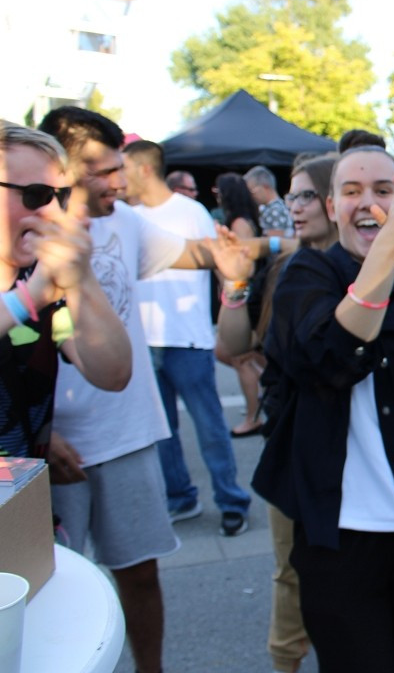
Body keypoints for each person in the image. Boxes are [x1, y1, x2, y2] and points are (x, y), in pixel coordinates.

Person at [39, 106, 257, 673]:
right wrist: (39, 432)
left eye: (120, 168)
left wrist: (230, 257)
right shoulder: (28, 234)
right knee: (55, 590)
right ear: (60, 168)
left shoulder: (127, 223)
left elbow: (188, 253)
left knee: (139, 573)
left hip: (129, 433)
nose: (119, 180)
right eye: (103, 170)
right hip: (54, 446)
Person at [253, 145, 394, 672]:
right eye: (351, 192)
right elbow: (332, 358)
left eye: (382, 191)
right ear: (331, 207)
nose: (366, 202)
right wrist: (388, 249)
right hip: (338, 536)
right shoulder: (305, 273)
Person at [217, 153, 337, 673]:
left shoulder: (378, 272)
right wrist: (236, 281)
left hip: (360, 452)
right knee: (290, 572)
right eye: (292, 195)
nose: (294, 206)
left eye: (306, 195)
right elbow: (232, 347)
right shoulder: (285, 268)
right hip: (292, 445)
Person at [123, 141, 253, 534]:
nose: (116, 176)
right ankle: (180, 498)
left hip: (188, 340)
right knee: (163, 432)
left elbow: (223, 267)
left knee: (210, 427)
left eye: (122, 167)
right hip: (144, 342)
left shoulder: (191, 212)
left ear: (145, 169)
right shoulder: (126, 216)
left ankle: (232, 501)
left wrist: (229, 324)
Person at [0, 123, 131, 461]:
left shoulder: (38, 281)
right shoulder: (34, 291)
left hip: (24, 505)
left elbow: (113, 374)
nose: (53, 213)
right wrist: (29, 299)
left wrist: (81, 277)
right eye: (36, 195)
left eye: (60, 197)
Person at [215, 172, 267, 437]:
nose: (216, 196)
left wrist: (227, 279)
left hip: (244, 298)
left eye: (219, 192)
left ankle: (253, 415)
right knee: (242, 356)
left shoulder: (238, 224)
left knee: (240, 358)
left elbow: (240, 268)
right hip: (248, 296)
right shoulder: (245, 220)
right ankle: (260, 400)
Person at [245, 165, 292, 237]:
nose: (251, 196)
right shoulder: (271, 207)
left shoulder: (276, 210)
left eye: (252, 192)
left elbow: (276, 242)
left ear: (265, 186)